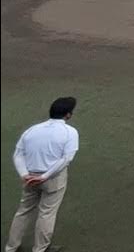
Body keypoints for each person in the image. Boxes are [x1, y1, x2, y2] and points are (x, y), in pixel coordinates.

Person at [5, 97, 80, 252]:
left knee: (23, 210)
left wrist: (24, 174)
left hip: (30, 178)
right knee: (47, 213)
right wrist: (45, 176)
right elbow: (67, 158)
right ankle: (40, 249)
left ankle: (11, 248)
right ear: (68, 115)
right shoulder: (70, 132)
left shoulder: (32, 130)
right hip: (53, 179)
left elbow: (18, 154)